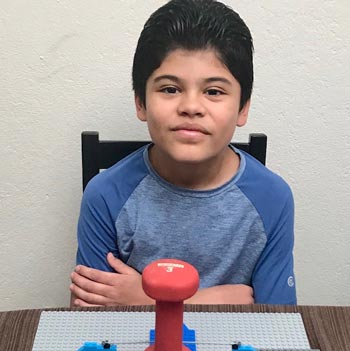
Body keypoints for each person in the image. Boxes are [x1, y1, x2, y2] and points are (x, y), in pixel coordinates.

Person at [70, 0, 297, 306]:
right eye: (170, 89)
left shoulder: (273, 197)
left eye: (214, 91)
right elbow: (89, 314)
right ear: (140, 103)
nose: (191, 107)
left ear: (243, 108)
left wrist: (145, 298)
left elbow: (279, 323)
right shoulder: (105, 195)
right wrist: (218, 299)